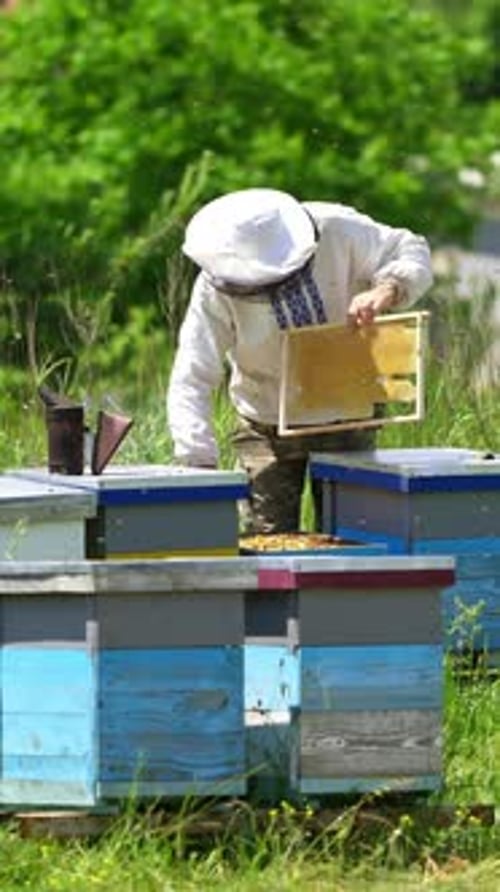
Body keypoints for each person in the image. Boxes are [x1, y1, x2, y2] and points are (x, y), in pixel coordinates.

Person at [166, 188, 433, 532]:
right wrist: (196, 461)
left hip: (348, 414)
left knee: (357, 536)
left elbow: (410, 248)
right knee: (267, 540)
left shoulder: (338, 228)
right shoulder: (215, 284)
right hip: (266, 423)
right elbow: (193, 373)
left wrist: (387, 288)